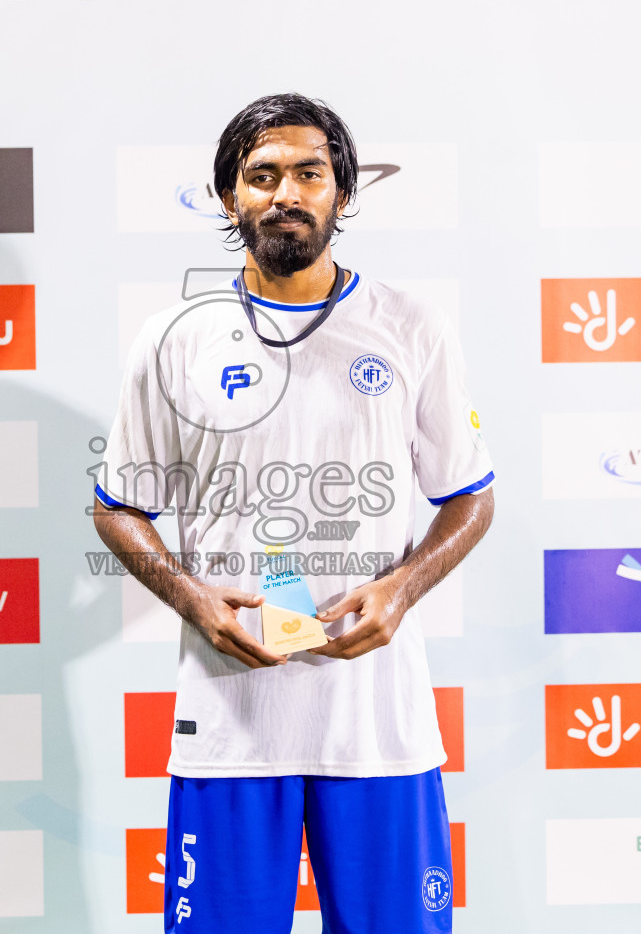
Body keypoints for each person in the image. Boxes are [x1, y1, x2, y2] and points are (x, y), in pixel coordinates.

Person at [93, 93, 494, 933]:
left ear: (342, 194)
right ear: (230, 198)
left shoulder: (410, 327)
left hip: (375, 718)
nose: (286, 192)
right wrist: (194, 599)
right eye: (261, 175)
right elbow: (118, 508)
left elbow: (470, 496)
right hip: (233, 716)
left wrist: (402, 589)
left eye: (309, 173)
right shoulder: (175, 339)